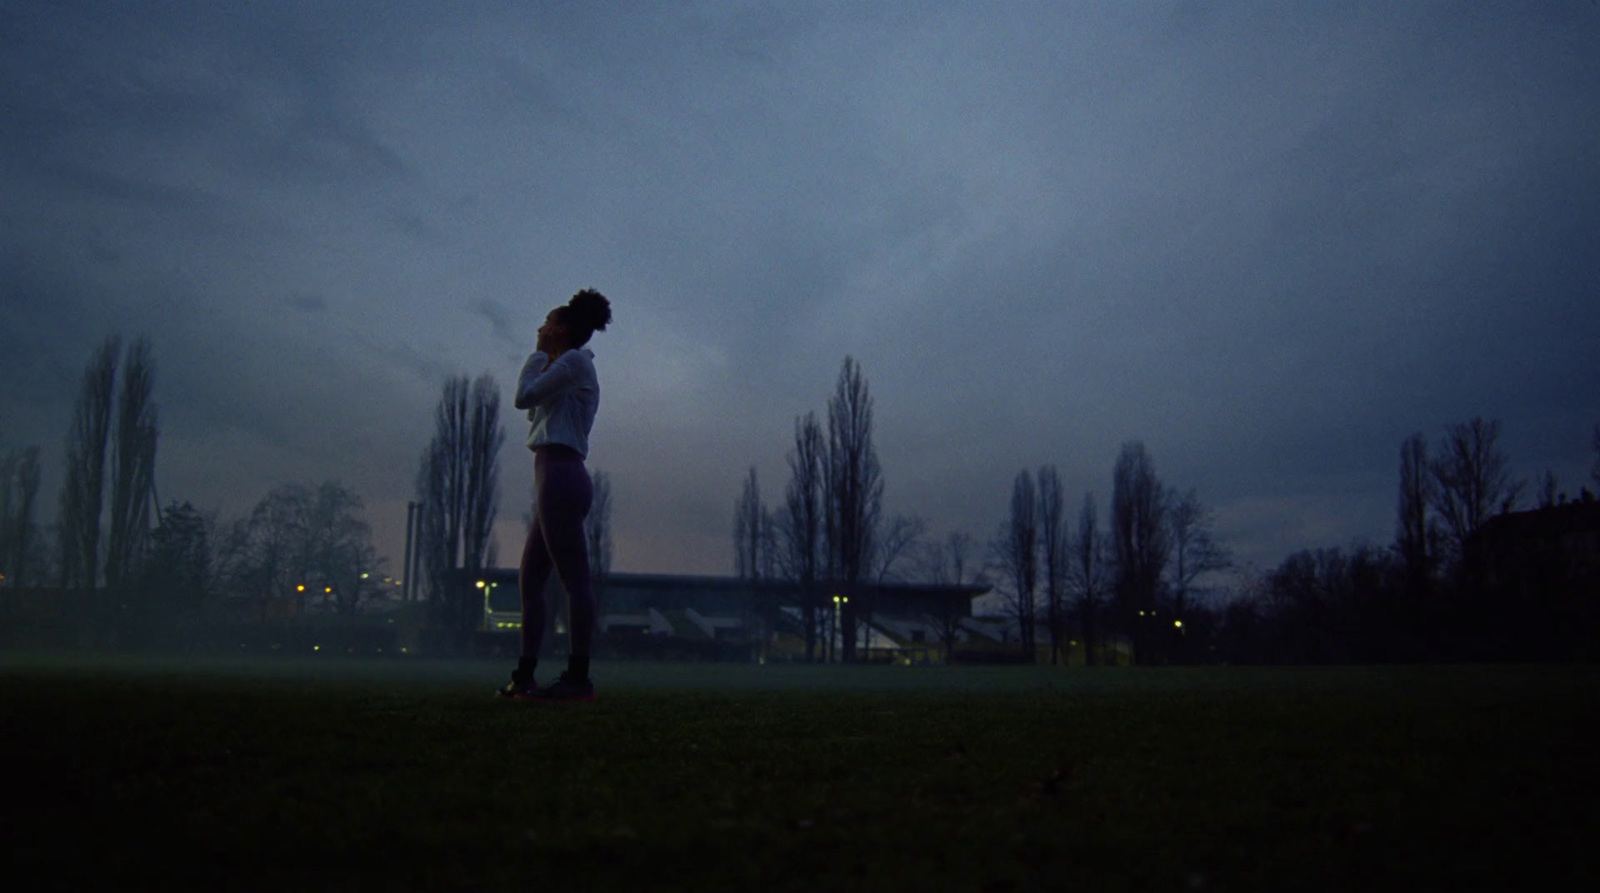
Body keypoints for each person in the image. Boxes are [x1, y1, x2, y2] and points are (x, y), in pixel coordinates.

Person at [498, 288, 612, 701]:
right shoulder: (566, 366)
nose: (540, 329)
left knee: (573, 580)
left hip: (562, 475)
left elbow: (523, 398)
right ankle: (524, 676)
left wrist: (536, 354)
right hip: (554, 476)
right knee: (531, 580)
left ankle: (578, 679)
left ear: (562, 328)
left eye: (547, 323)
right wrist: (546, 357)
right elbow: (536, 410)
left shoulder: (576, 362)